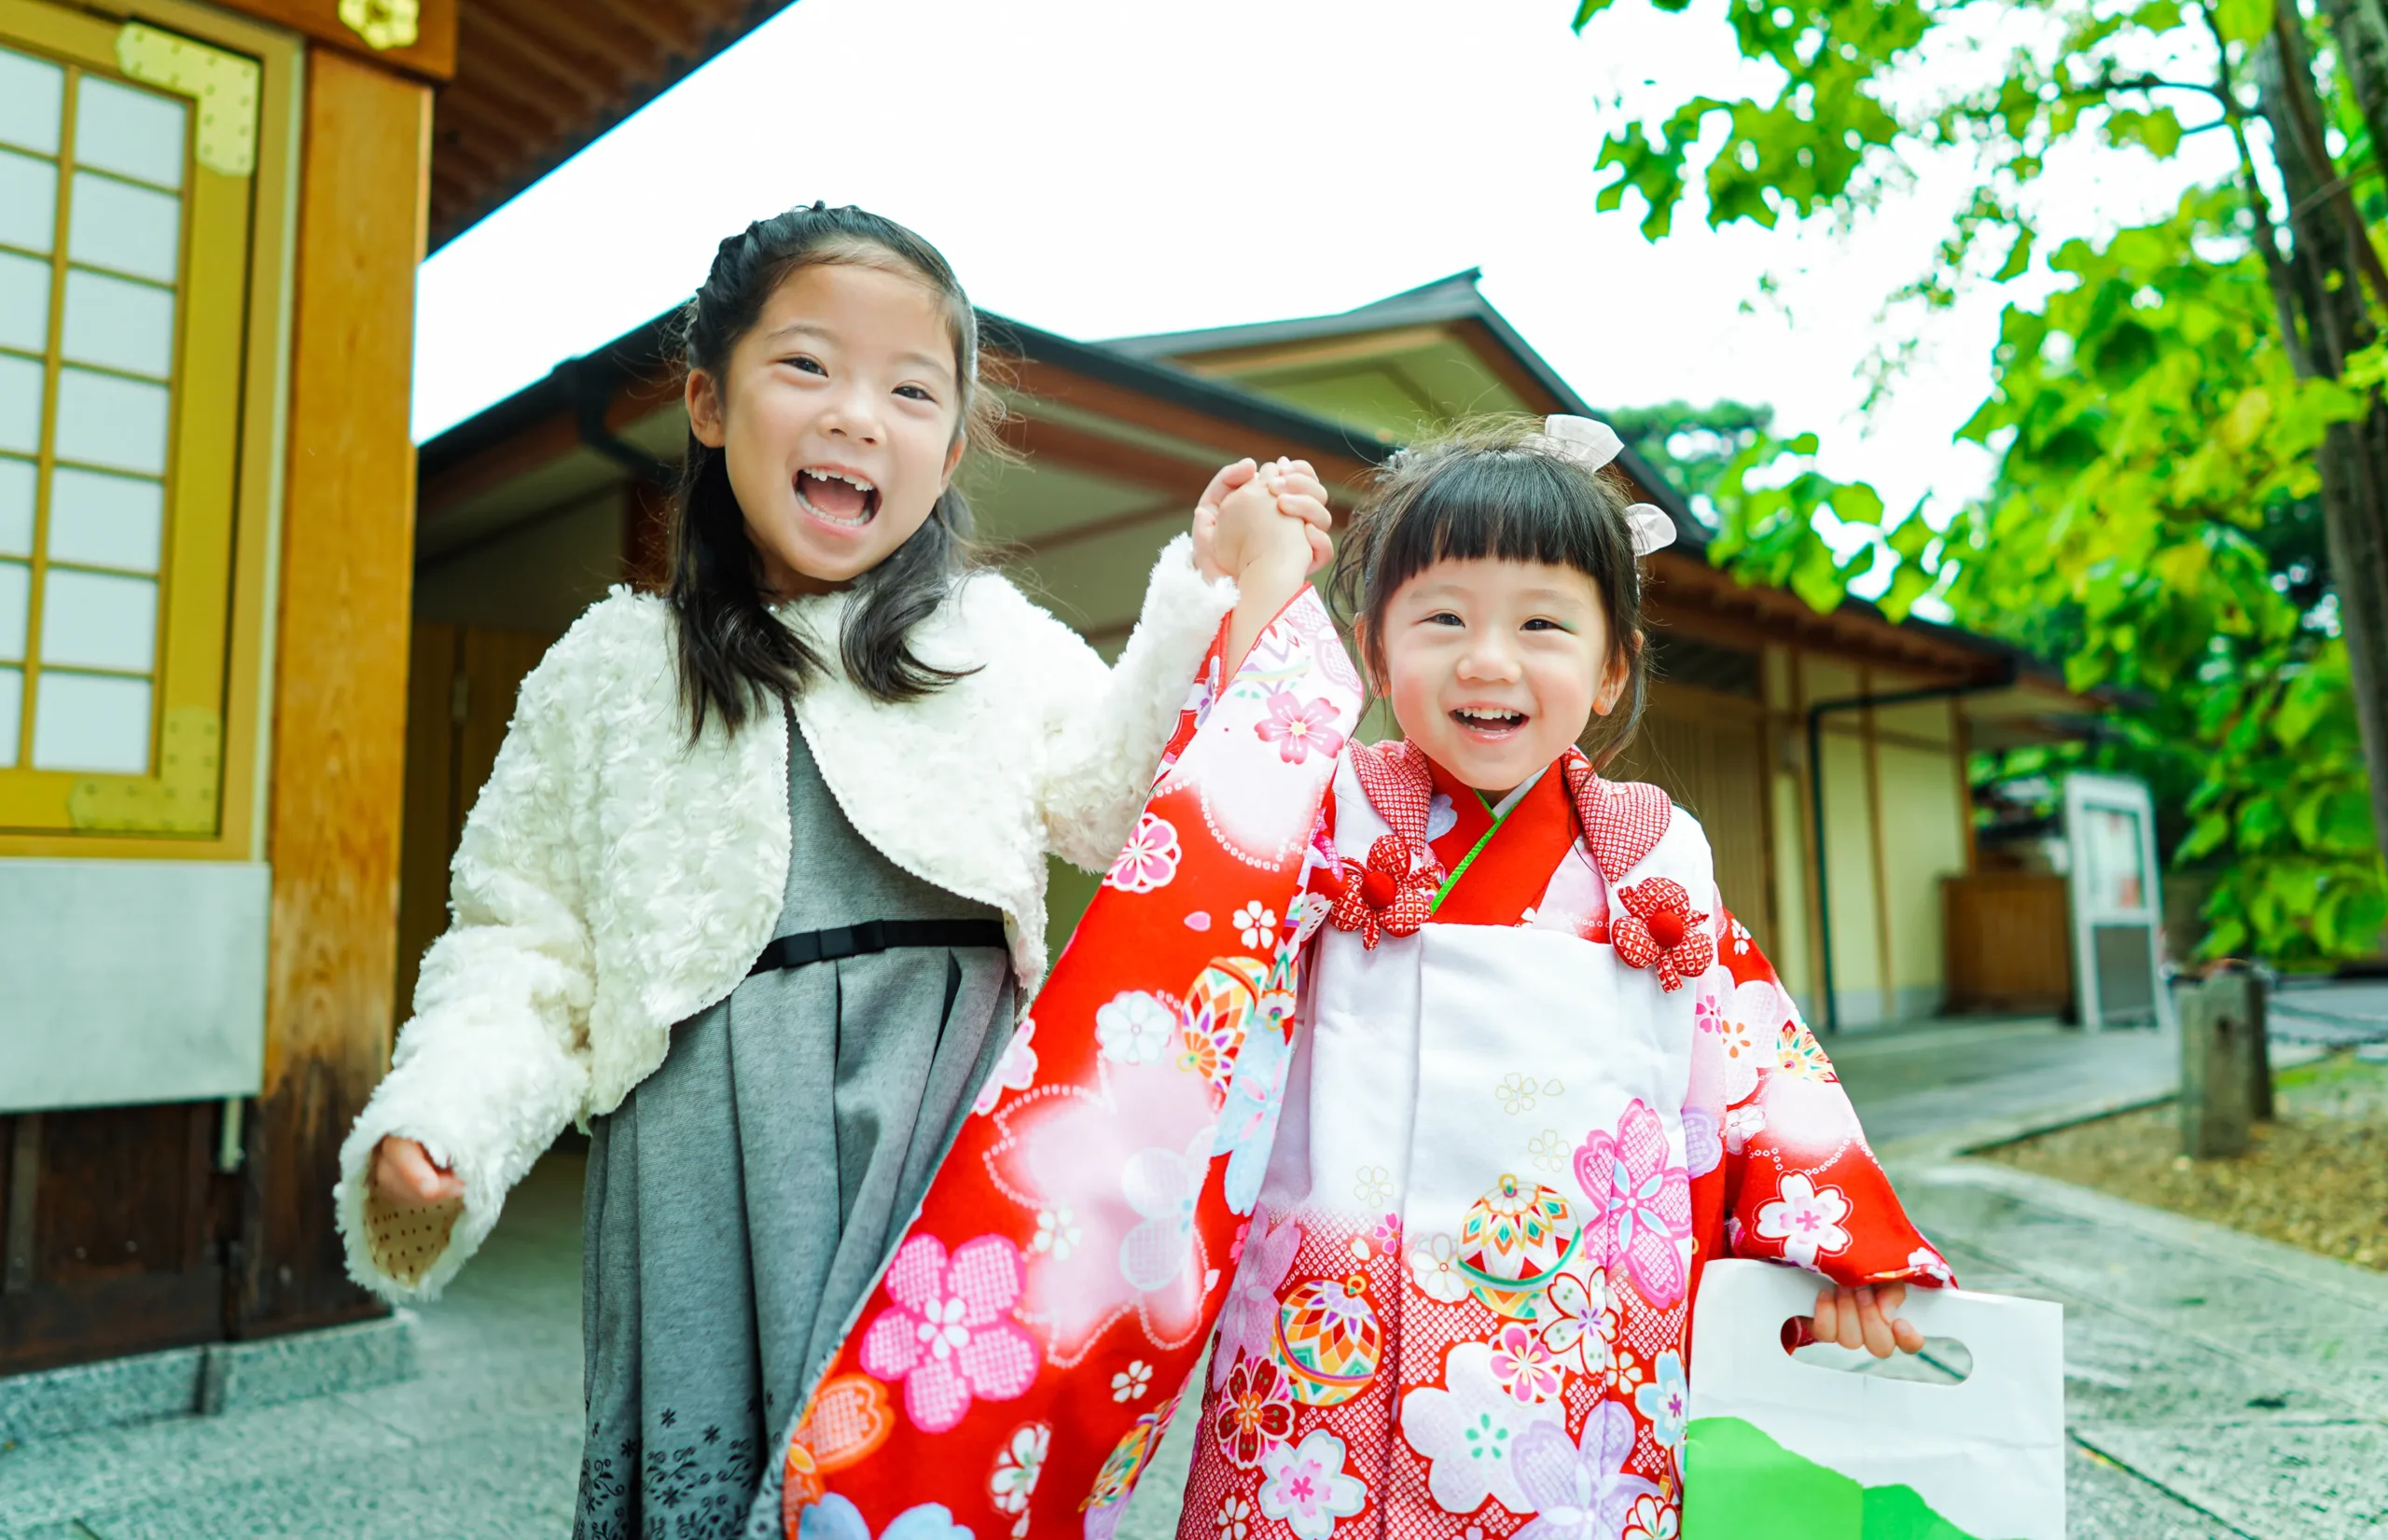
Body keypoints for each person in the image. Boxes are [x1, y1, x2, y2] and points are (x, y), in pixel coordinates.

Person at [331, 202, 1332, 1539]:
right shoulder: (606, 677)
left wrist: (1205, 592)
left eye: (912, 389)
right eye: (807, 364)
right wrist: (441, 1112)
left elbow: (1117, 796)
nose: (860, 413)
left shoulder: (988, 638)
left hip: (944, 1130)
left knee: (915, 1476)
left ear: (950, 447)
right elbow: (522, 939)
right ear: (707, 399)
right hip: (703, 1149)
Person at [1160, 415, 1949, 1539]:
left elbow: (1754, 1066)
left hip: (1570, 1356)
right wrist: (1261, 581)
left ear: (1611, 665)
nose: (1489, 660)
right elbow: (1223, 800)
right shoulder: (1324, 818)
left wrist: (1845, 1252)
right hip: (1327, 1340)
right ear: (1375, 654)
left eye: (1541, 623)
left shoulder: (1652, 861)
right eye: (1442, 619)